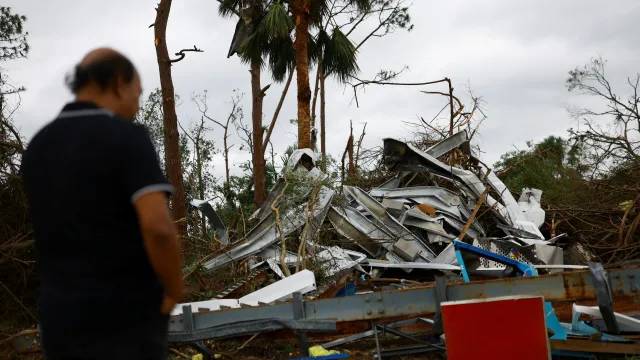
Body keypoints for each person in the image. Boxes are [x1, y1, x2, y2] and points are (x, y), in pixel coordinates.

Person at [21, 48, 184, 360]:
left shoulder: (39, 146)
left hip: (59, 319)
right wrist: (173, 289)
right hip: (125, 317)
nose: (137, 105)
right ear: (119, 82)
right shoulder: (126, 137)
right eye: (138, 93)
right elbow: (158, 228)